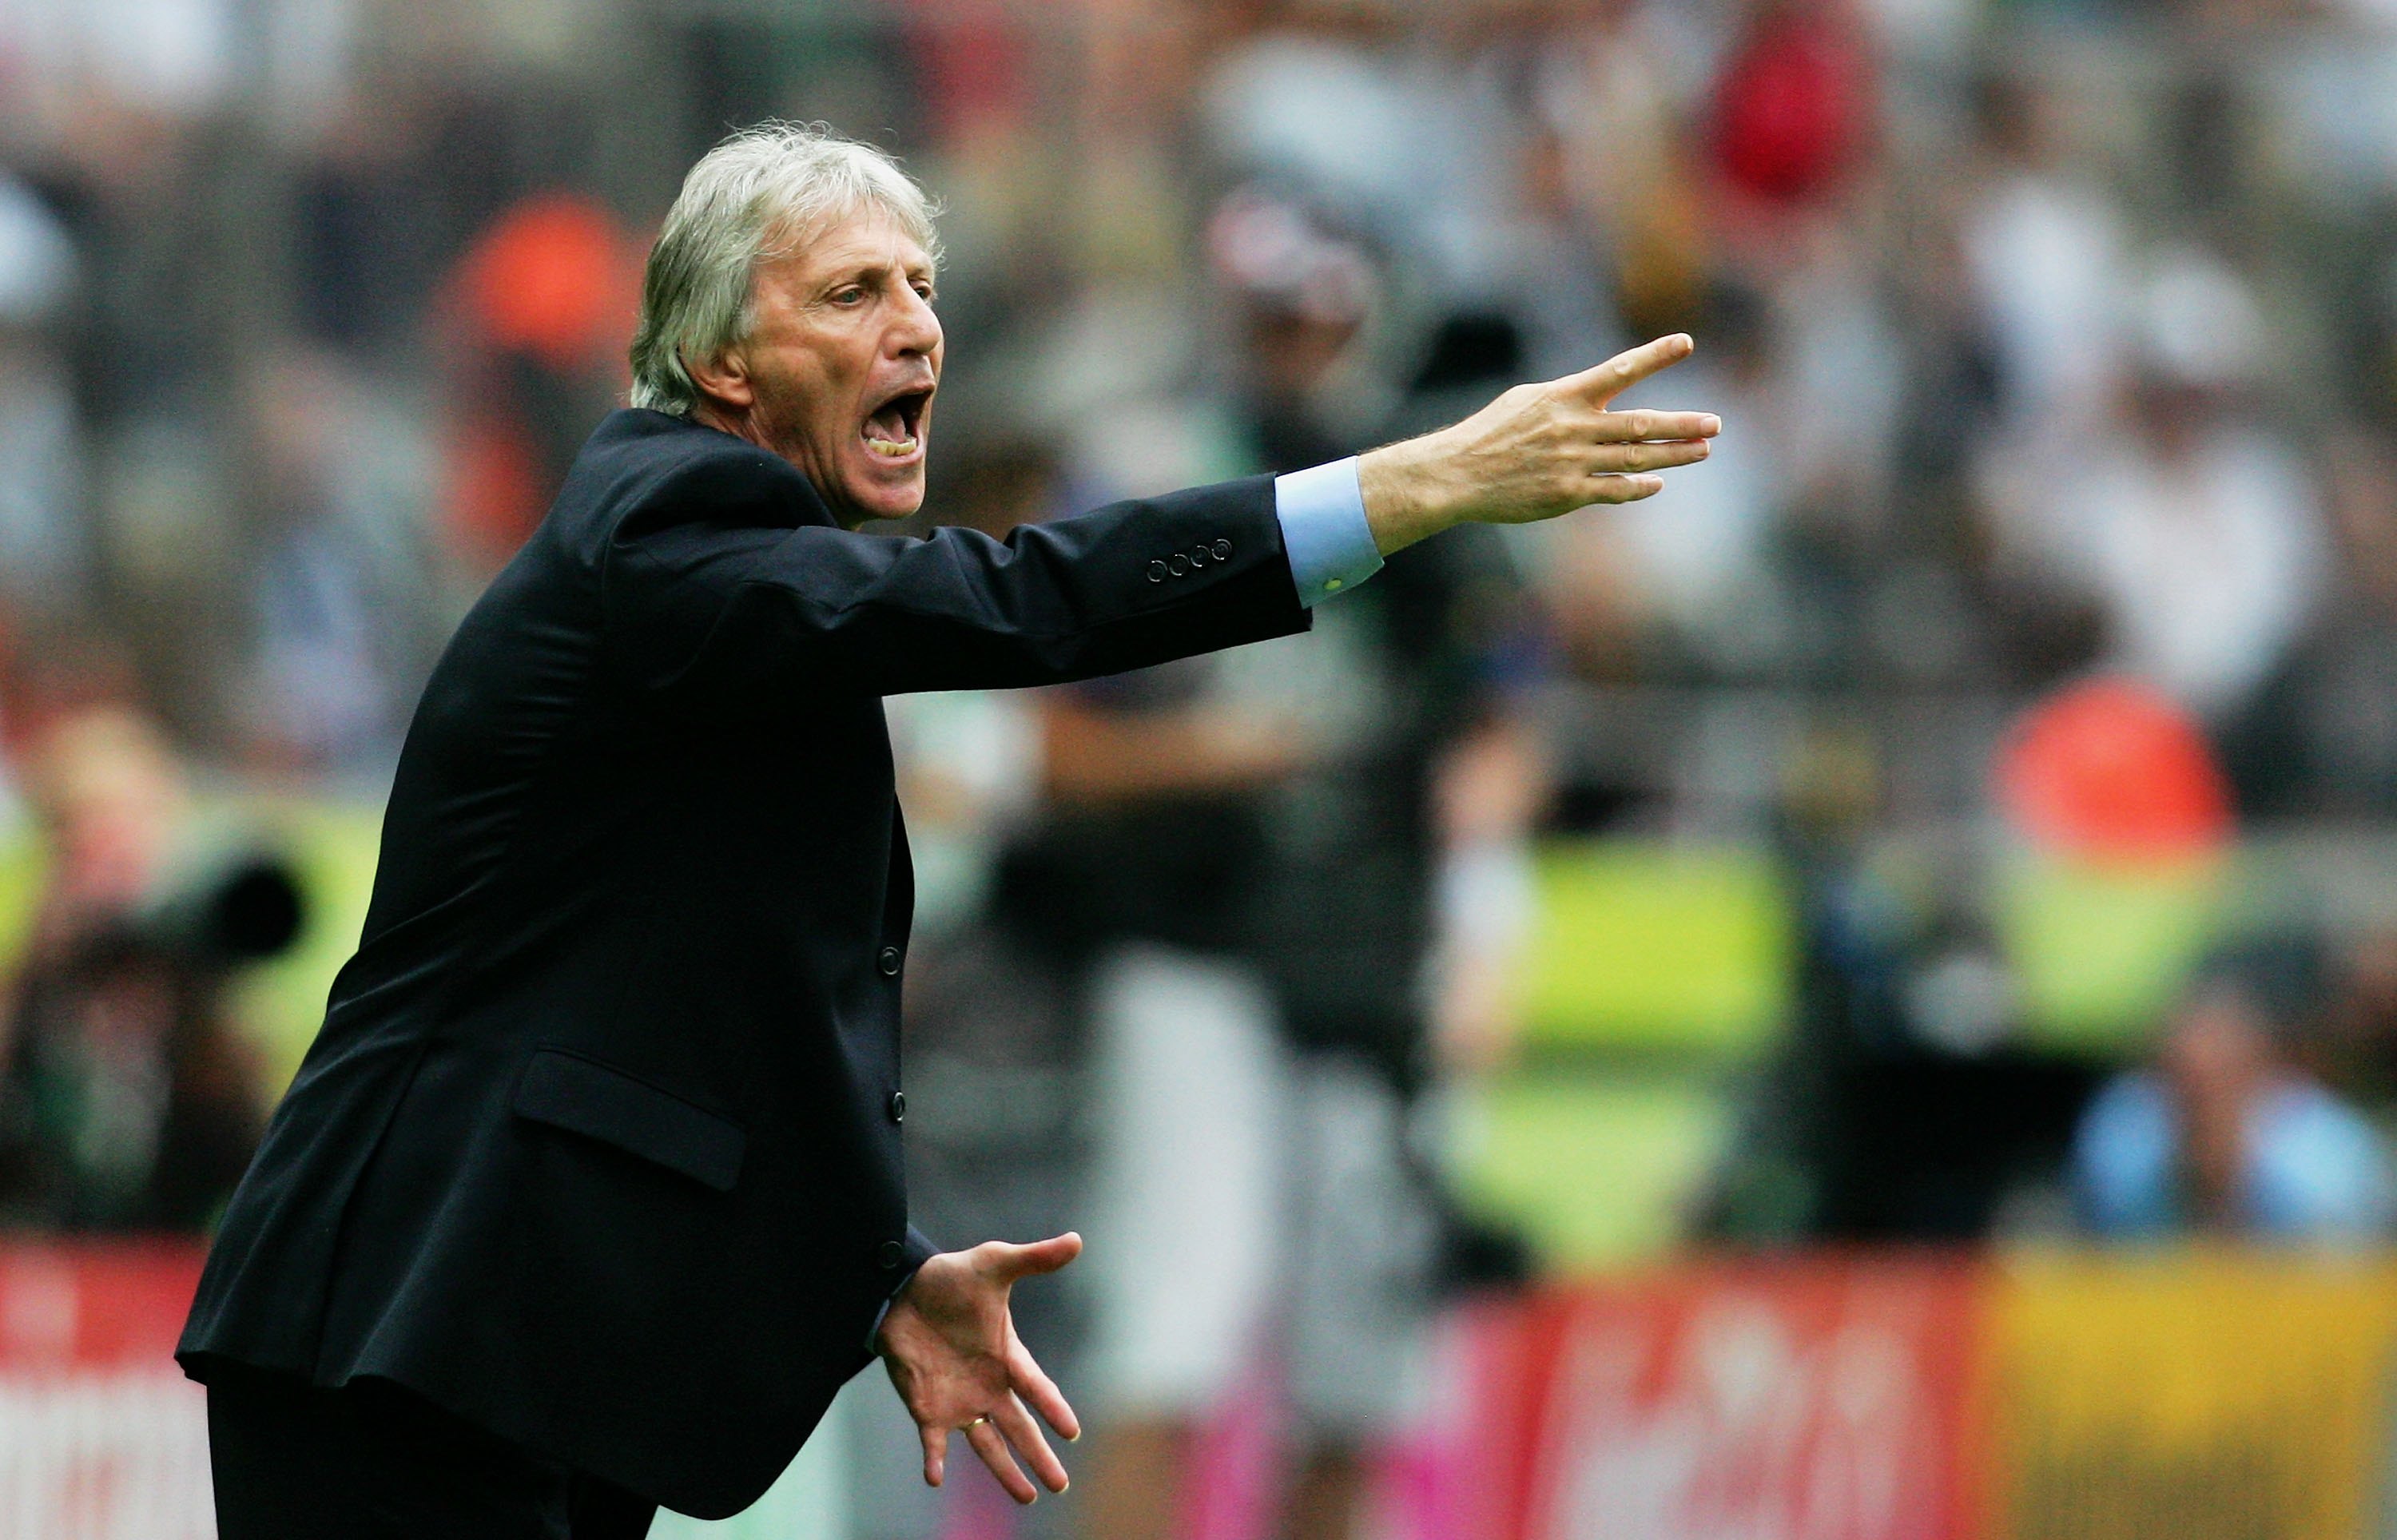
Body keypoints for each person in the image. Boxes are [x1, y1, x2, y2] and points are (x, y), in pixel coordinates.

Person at [177, 121, 1719, 1538]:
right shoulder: (663, 523)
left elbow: (715, 1012)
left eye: (921, 287)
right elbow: (1015, 601)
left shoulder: (748, 609)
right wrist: (1402, 489)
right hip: (406, 1318)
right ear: (721, 360)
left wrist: (880, 1276)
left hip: (515, 1335)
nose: (915, 325)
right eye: (851, 293)